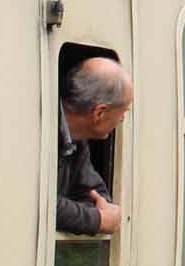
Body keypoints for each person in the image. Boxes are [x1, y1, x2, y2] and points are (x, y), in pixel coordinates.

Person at [56, 57, 130, 235]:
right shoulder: (37, 127)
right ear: (99, 113)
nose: (122, 119)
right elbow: (35, 200)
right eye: (123, 111)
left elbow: (96, 195)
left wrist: (95, 213)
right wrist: (97, 220)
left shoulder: (78, 142)